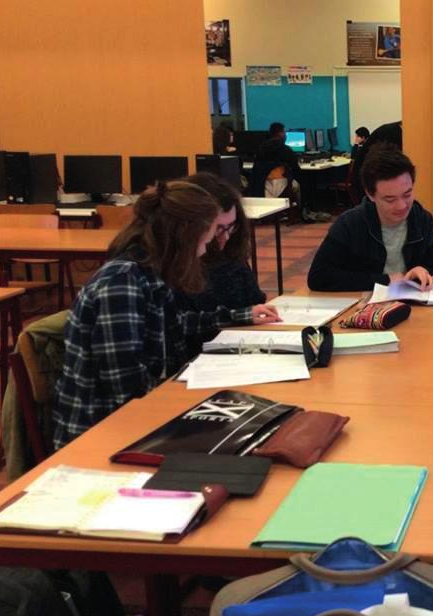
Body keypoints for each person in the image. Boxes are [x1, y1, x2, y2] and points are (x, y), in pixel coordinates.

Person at [52, 181, 280, 449]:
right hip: (102, 435)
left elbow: (174, 323)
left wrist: (240, 315)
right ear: (183, 236)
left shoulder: (149, 272)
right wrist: (193, 402)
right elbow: (127, 391)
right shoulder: (122, 284)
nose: (206, 250)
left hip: (136, 419)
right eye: (205, 239)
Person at [308, 144, 433, 291]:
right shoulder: (350, 224)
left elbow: (428, 258)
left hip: (413, 307)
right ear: (370, 194)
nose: (402, 206)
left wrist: (425, 271)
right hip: (364, 308)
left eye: (407, 194)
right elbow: (318, 277)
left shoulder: (422, 219)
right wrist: (386, 280)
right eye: (390, 199)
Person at [179, 172, 265, 311]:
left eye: (230, 226)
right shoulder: (171, 270)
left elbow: (256, 302)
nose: (225, 237)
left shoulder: (232, 254)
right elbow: (183, 324)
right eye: (218, 228)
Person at [249, 121, 301, 199]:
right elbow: (295, 168)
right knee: (298, 185)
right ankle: (298, 209)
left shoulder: (260, 149)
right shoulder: (286, 150)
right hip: (282, 184)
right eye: (284, 132)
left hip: (263, 184)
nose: (285, 135)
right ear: (280, 133)